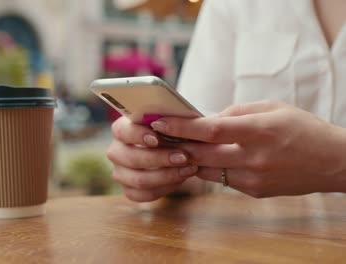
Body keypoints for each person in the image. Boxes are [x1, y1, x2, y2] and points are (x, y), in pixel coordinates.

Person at [106, 0, 346, 202]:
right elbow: (196, 149)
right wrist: (162, 167)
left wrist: (336, 161)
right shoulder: (231, 4)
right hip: (249, 245)